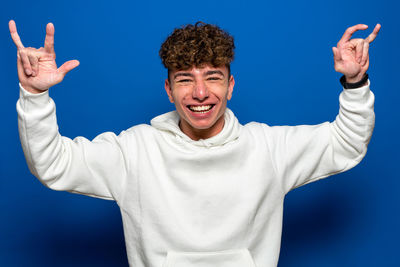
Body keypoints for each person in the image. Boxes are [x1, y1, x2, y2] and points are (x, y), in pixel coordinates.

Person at [10, 20, 380, 267]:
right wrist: (34, 95)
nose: (200, 92)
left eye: (213, 78)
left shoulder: (269, 147)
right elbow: (53, 164)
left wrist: (355, 83)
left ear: (230, 87)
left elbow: (345, 143)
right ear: (169, 90)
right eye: (185, 79)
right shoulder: (135, 150)